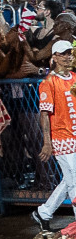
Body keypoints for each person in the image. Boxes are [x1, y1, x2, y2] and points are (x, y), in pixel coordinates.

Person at [34, 41, 76, 227]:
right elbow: (45, 115)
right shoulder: (48, 82)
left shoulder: (74, 77)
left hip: (74, 136)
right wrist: (47, 142)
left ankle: (44, 212)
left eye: (70, 53)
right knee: (74, 182)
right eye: (64, 54)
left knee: (69, 181)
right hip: (62, 139)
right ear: (55, 57)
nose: (68, 57)